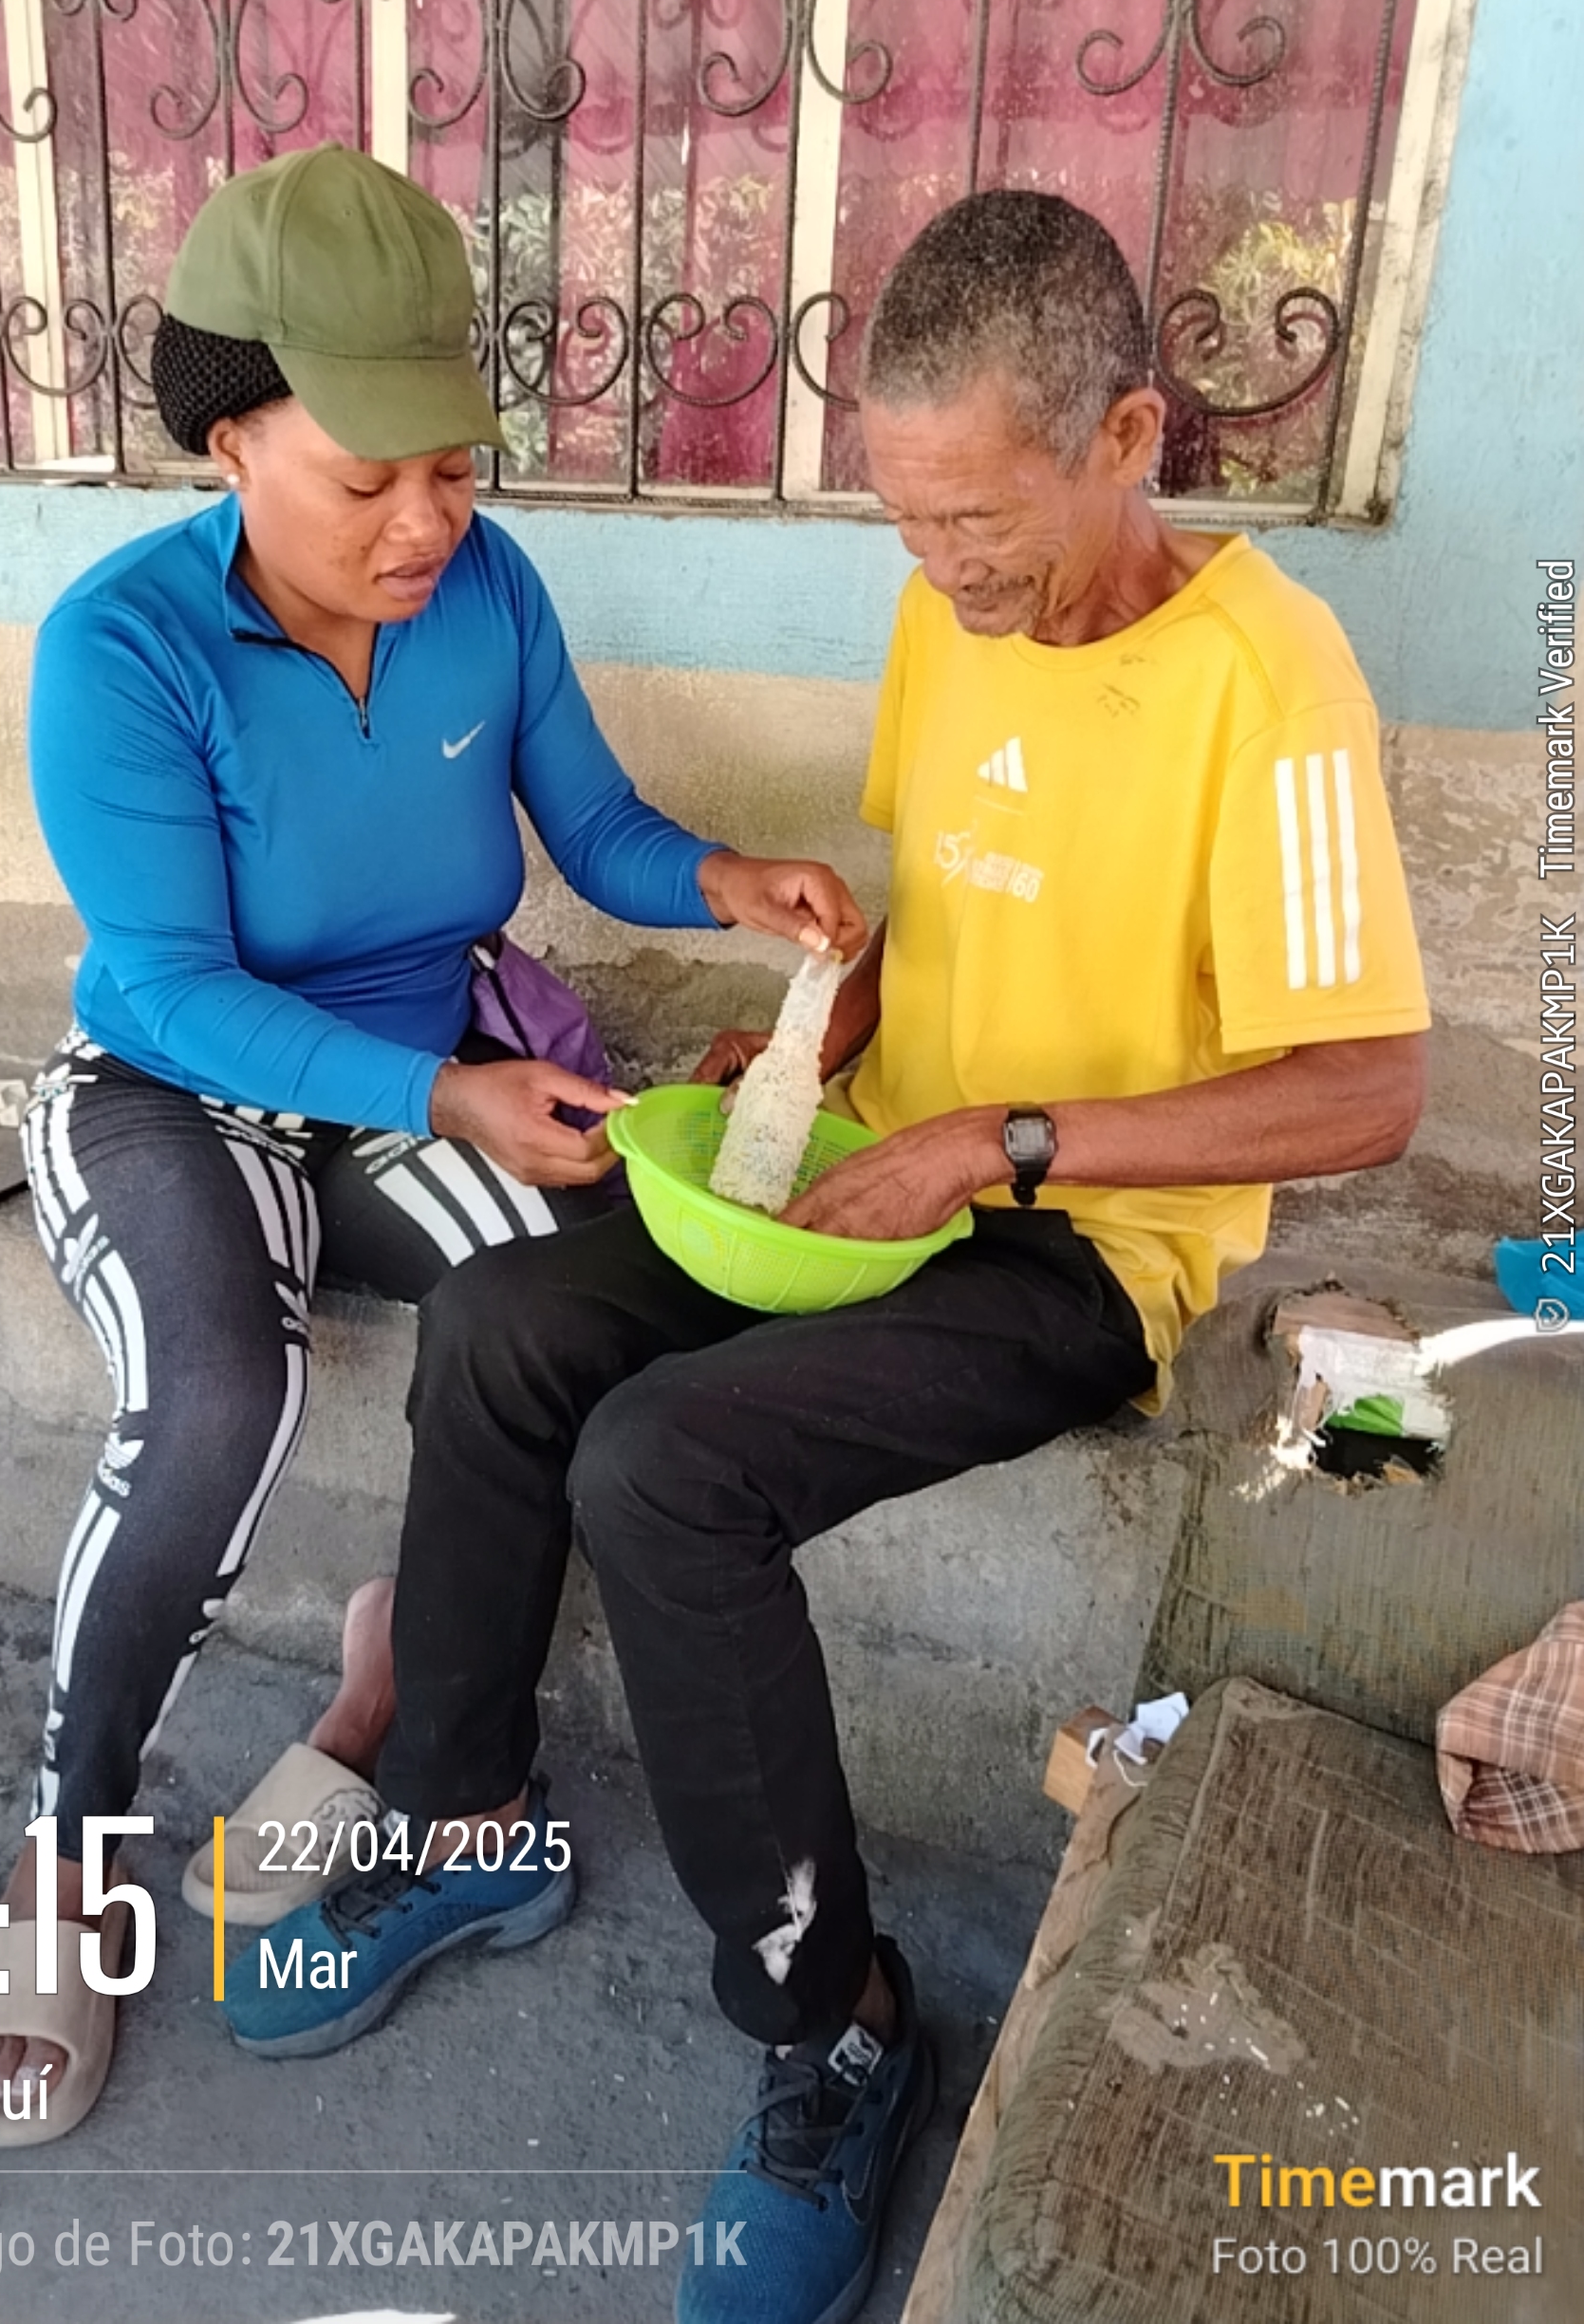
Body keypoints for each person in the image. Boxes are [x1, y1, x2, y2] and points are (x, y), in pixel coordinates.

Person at [219, 190, 1432, 2324]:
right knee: (504, 1319)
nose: (944, 569)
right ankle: (467, 1816)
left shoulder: (1276, 684)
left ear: (1129, 434)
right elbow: (941, 912)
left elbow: (1370, 1090)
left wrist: (1002, 1142)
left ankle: (837, 2022)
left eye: (982, 521)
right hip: (868, 1179)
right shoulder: (948, 616)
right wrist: (806, 1051)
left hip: (1073, 1245)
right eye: (906, 520)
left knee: (667, 1467)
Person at [0, 142, 866, 2147]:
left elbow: (592, 830)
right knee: (218, 1398)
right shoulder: (123, 650)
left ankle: (396, 1704)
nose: (428, 521)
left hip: (419, 1065)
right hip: (174, 1092)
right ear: (234, 440)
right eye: (370, 481)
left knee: (557, 1317)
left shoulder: (488, 593)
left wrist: (725, 880)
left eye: (454, 468)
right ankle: (66, 1857)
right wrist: (448, 1097)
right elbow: (173, 988)